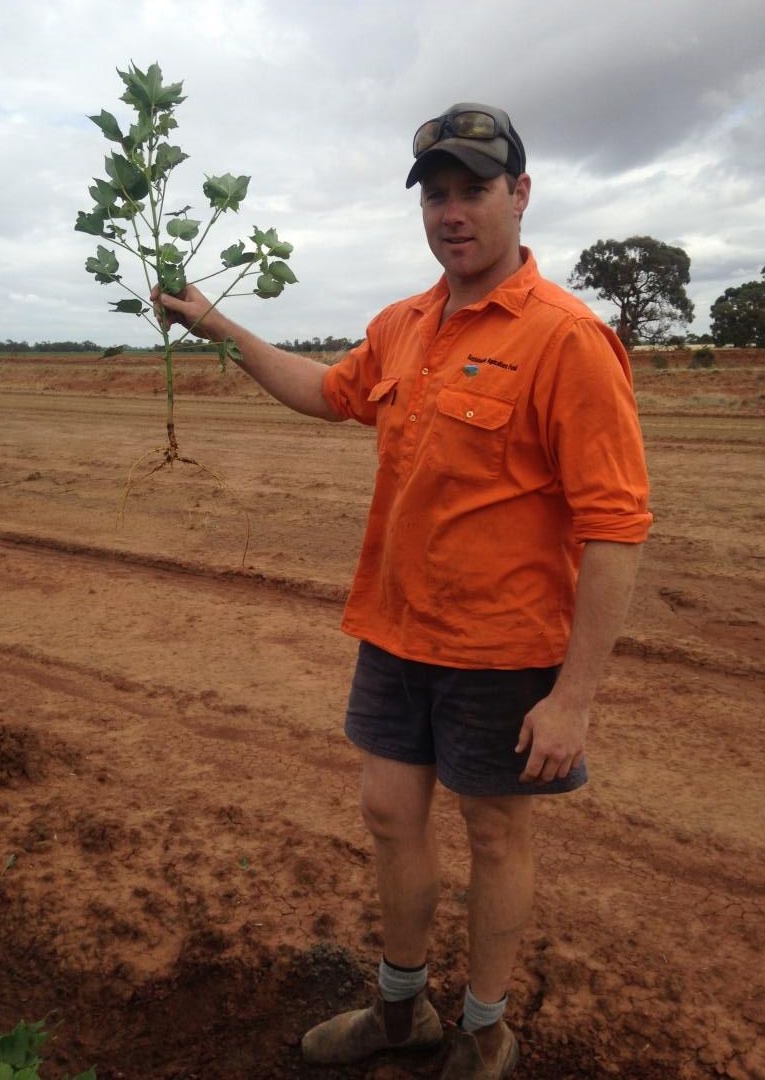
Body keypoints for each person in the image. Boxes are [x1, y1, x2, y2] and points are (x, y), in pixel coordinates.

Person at [152, 102, 652, 1080]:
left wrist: (574, 697)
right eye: (436, 192)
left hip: (504, 650)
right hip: (395, 628)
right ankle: (399, 1011)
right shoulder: (402, 326)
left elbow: (614, 525)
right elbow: (324, 392)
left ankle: (481, 1029)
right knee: (387, 813)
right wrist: (217, 325)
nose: (452, 211)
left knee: (496, 836)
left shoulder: (565, 340)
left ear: (519, 194)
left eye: (474, 189)